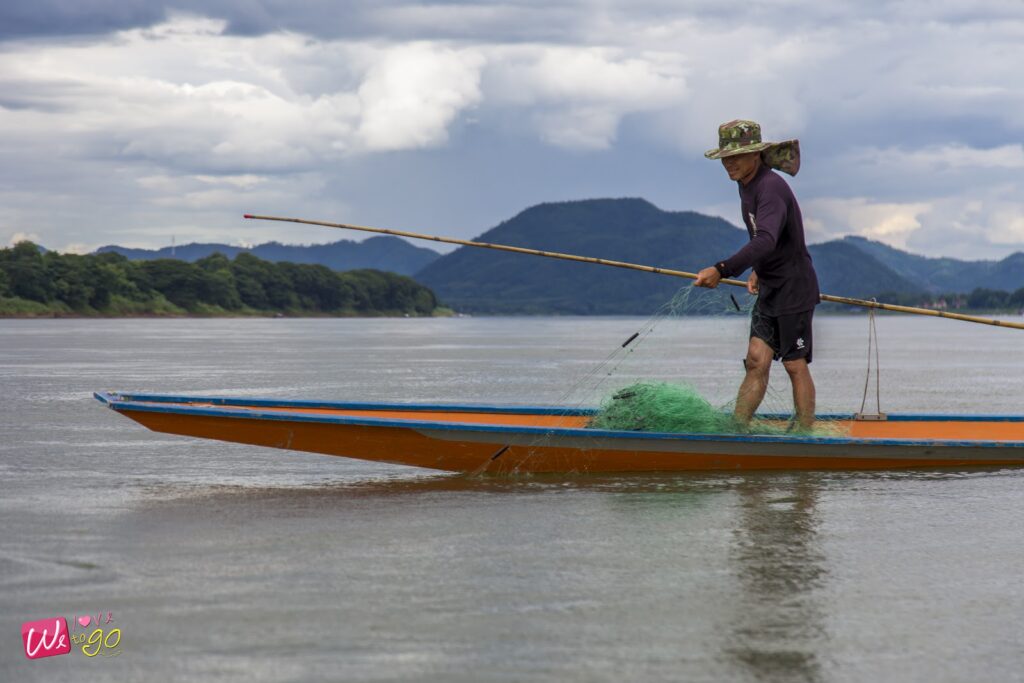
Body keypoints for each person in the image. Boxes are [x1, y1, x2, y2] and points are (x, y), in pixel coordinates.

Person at [693, 119, 819, 430]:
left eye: (736, 156)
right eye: (725, 157)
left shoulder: (770, 187)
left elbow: (766, 239)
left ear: (755, 154)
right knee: (756, 359)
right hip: (770, 286)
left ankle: (805, 434)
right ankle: (738, 429)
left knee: (794, 364)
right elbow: (766, 242)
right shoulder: (745, 184)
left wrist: (722, 269)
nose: (729, 164)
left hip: (794, 287)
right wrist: (757, 270)